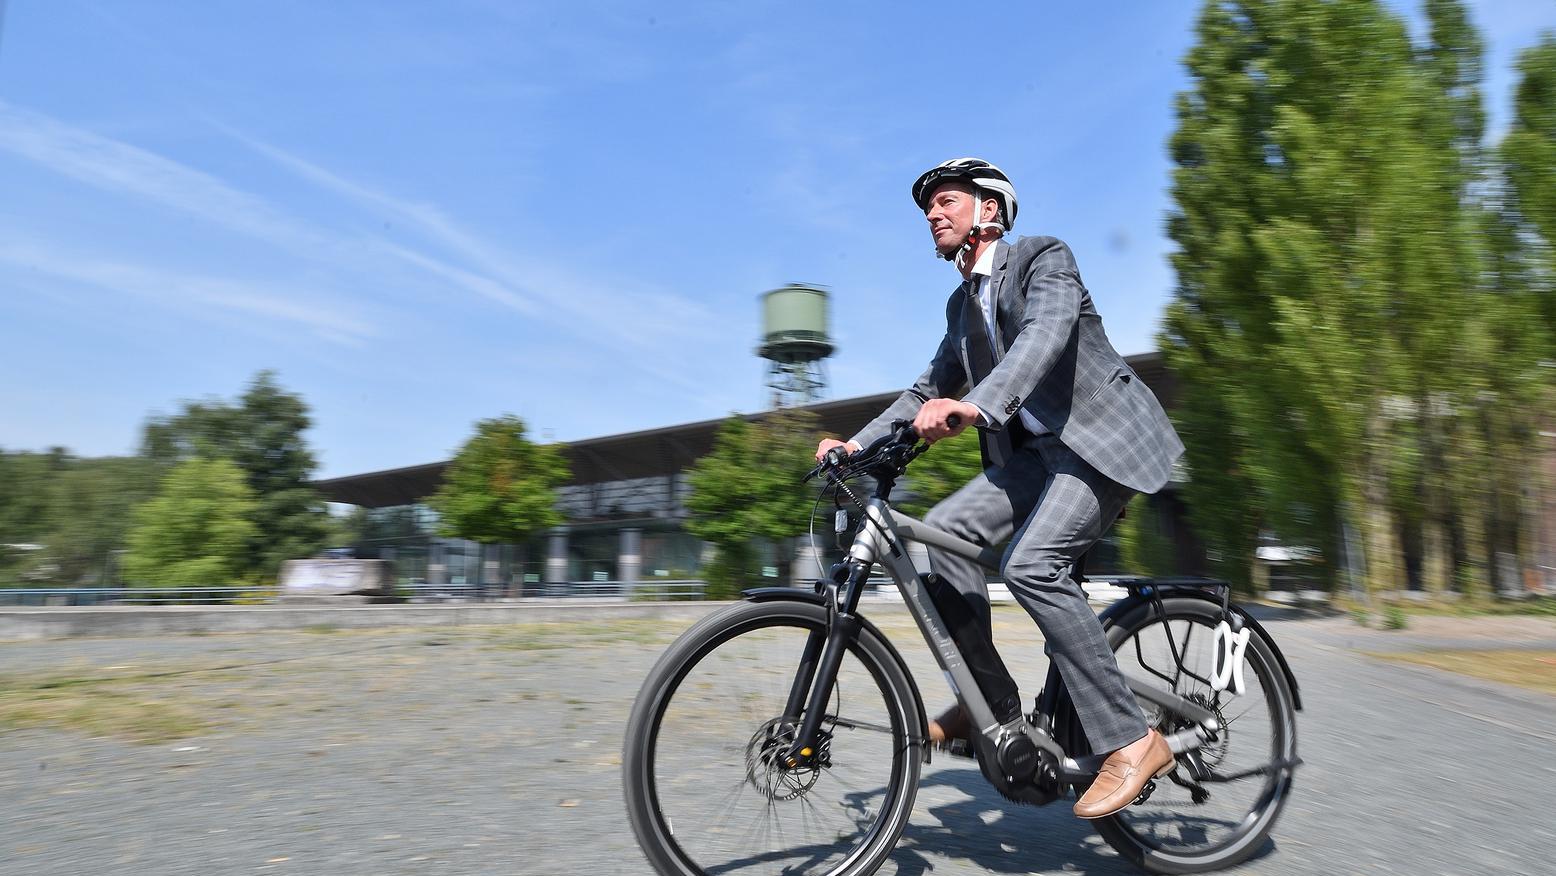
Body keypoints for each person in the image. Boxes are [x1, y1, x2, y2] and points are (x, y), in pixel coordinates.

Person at [814, 157, 1186, 819]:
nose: (933, 214)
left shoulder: (1044, 258)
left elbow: (1044, 337)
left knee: (1032, 566)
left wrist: (977, 406)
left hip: (1101, 445)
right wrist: (855, 444)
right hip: (1037, 459)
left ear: (990, 210)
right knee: (947, 534)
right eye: (929, 207)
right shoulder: (962, 306)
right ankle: (989, 702)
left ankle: (1134, 739)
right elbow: (925, 390)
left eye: (947, 201)